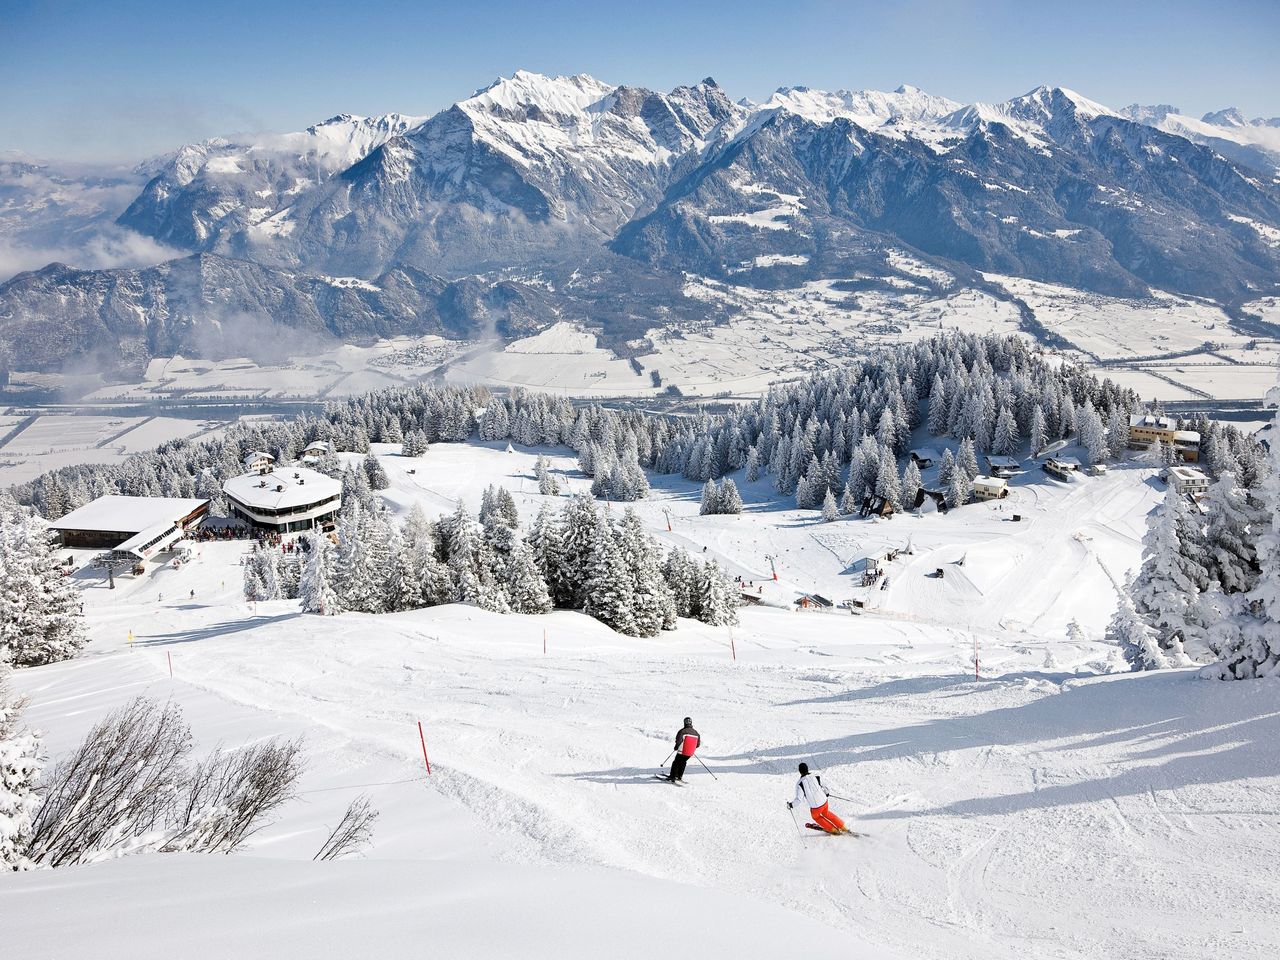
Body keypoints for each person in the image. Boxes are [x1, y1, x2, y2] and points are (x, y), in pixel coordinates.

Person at [788, 762, 847, 834]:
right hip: (824, 802)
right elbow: (825, 786)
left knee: (816, 817)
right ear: (807, 769)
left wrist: (791, 805)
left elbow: (799, 799)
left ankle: (833, 830)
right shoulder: (816, 776)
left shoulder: (800, 784)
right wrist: (826, 793)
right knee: (827, 813)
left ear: (800, 771)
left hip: (816, 807)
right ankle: (843, 827)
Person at [667, 717, 700, 782]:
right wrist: (691, 748)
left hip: (682, 751)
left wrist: (676, 747)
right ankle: (679, 776)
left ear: (684, 723)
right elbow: (698, 744)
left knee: (676, 762)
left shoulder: (682, 731)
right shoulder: (696, 733)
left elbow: (678, 741)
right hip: (690, 752)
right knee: (683, 762)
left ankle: (672, 777)